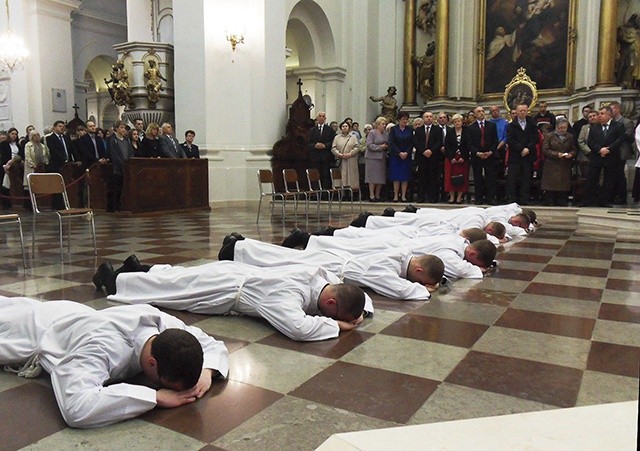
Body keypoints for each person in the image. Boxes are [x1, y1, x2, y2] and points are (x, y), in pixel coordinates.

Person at [0, 296, 229, 428]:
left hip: (73, 312)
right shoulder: (100, 347)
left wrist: (207, 372)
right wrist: (155, 397)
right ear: (152, 364)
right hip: (31, 329)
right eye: (165, 384)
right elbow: (76, 407)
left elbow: (210, 344)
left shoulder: (162, 325)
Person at [94, 257, 368, 342]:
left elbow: (348, 292)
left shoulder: (317, 276)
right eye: (330, 315)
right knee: (170, 291)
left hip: (234, 273)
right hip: (224, 288)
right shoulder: (287, 295)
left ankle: (139, 268)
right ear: (330, 304)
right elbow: (297, 328)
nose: (326, 318)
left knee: (178, 279)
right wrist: (337, 327)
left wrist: (358, 309)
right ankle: (112, 279)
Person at [220, 236, 444, 300]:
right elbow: (398, 289)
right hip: (333, 265)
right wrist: (422, 290)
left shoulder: (402, 255)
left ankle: (241, 246)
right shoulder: (386, 267)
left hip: (336, 261)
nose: (416, 283)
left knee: (285, 258)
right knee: (282, 260)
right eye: (419, 280)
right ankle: (237, 248)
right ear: (419, 271)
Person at [301, 233, 497, 279]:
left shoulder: (457, 240)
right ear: (470, 253)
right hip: (396, 248)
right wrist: (477, 269)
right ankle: (309, 240)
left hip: (398, 246)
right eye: (472, 260)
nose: (469, 262)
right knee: (350, 248)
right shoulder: (451, 252)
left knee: (351, 246)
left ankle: (312, 240)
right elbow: (459, 269)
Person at [582, 106, 627, 207]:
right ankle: (589, 200)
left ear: (609, 115)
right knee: (592, 178)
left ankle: (604, 200)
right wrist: (599, 150)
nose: (599, 116)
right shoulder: (594, 127)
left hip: (611, 156)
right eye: (599, 114)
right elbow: (590, 142)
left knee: (609, 180)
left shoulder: (618, 126)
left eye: (602, 114)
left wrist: (609, 149)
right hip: (596, 156)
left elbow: (620, 140)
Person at [506, 103, 539, 204]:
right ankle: (511, 199)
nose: (522, 112)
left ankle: (524, 199)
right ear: (516, 112)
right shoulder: (511, 125)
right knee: (512, 178)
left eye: (524, 110)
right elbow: (510, 140)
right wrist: (521, 149)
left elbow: (535, 138)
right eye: (520, 110)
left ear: (527, 111)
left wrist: (528, 148)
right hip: (516, 155)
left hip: (528, 155)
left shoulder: (532, 123)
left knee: (526, 178)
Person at [541, 117, 577, 206]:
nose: (562, 130)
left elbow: (574, 149)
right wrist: (557, 154)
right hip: (551, 165)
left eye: (564, 128)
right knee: (551, 188)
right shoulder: (549, 136)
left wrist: (571, 154)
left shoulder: (570, 136)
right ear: (556, 127)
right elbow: (545, 150)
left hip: (564, 165)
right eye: (561, 128)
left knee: (562, 188)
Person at [467, 106, 499, 204]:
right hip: (477, 156)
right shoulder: (470, 127)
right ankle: (479, 198)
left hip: (489, 155)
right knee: (477, 178)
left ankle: (491, 198)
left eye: (482, 111)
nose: (481, 113)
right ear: (475, 114)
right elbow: (469, 143)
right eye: (478, 111)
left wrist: (491, 152)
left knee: (490, 178)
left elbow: (495, 140)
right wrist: (477, 153)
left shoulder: (491, 125)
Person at [413, 111, 443, 203]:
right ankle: (421, 197)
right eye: (427, 117)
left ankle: (432, 198)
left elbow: (439, 142)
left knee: (433, 178)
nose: (429, 118)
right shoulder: (418, 130)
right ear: (423, 118)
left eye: (430, 116)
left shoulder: (437, 129)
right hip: (422, 157)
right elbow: (416, 142)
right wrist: (423, 151)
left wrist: (431, 150)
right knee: (422, 177)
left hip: (433, 156)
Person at [610, 101, 636, 204]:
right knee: (613, 174)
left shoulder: (627, 122)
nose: (611, 112)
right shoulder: (611, 122)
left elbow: (630, 136)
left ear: (618, 109)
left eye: (612, 109)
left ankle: (622, 196)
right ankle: (613, 194)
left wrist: (619, 134)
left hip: (622, 150)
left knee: (620, 174)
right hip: (613, 151)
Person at [106, 121, 133, 212]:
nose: (123, 130)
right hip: (117, 168)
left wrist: (129, 162)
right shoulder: (112, 140)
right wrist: (122, 163)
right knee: (116, 188)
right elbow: (114, 154)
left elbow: (130, 153)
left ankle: (123, 206)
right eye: (121, 127)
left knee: (123, 188)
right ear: (116, 129)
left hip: (126, 167)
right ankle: (115, 207)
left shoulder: (127, 140)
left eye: (124, 128)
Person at [444, 113, 470, 204]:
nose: (457, 123)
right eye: (455, 122)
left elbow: (468, 145)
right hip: (452, 158)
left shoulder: (467, 131)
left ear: (462, 122)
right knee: (450, 177)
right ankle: (451, 197)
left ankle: (459, 197)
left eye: (459, 121)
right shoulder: (450, 132)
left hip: (463, 158)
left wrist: (464, 156)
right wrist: (451, 157)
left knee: (462, 177)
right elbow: (447, 145)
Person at [388, 111, 413, 202]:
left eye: (406, 119)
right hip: (396, 155)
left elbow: (412, 142)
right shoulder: (393, 129)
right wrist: (399, 152)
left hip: (406, 155)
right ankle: (395, 195)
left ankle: (403, 195)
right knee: (396, 176)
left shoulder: (410, 129)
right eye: (403, 119)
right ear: (399, 119)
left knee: (405, 176)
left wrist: (406, 152)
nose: (405, 121)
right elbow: (392, 142)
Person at [308, 112, 336, 192]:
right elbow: (308, 143)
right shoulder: (312, 130)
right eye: (319, 116)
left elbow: (333, 142)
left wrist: (325, 146)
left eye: (323, 116)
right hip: (315, 157)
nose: (321, 118)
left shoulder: (329, 130)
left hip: (326, 157)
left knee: (325, 175)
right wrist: (315, 145)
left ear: (325, 118)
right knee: (316, 175)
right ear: (317, 118)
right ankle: (316, 192)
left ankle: (325, 193)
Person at [331, 120, 360, 193]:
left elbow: (357, 147)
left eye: (346, 126)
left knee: (351, 177)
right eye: (343, 126)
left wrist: (350, 153)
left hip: (351, 159)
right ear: (341, 128)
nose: (345, 128)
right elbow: (333, 148)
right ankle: (343, 193)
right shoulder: (337, 137)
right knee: (342, 176)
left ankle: (352, 193)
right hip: (341, 159)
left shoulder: (353, 137)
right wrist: (339, 154)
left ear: (349, 128)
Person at [365, 117, 388, 202]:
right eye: (382, 124)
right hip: (372, 157)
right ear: (378, 125)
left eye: (385, 124)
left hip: (382, 157)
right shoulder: (372, 133)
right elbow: (369, 145)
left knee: (380, 177)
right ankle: (371, 195)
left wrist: (386, 147)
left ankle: (378, 195)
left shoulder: (385, 134)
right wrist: (380, 147)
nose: (384, 126)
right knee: (372, 177)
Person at [0, 127, 23, 209]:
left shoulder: (18, 145)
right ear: (9, 134)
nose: (14, 136)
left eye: (16, 134)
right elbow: (3, 156)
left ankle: (17, 202)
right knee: (5, 184)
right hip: (6, 165)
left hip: (16, 164)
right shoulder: (4, 144)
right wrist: (6, 165)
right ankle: (6, 204)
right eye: (12, 134)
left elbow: (20, 155)